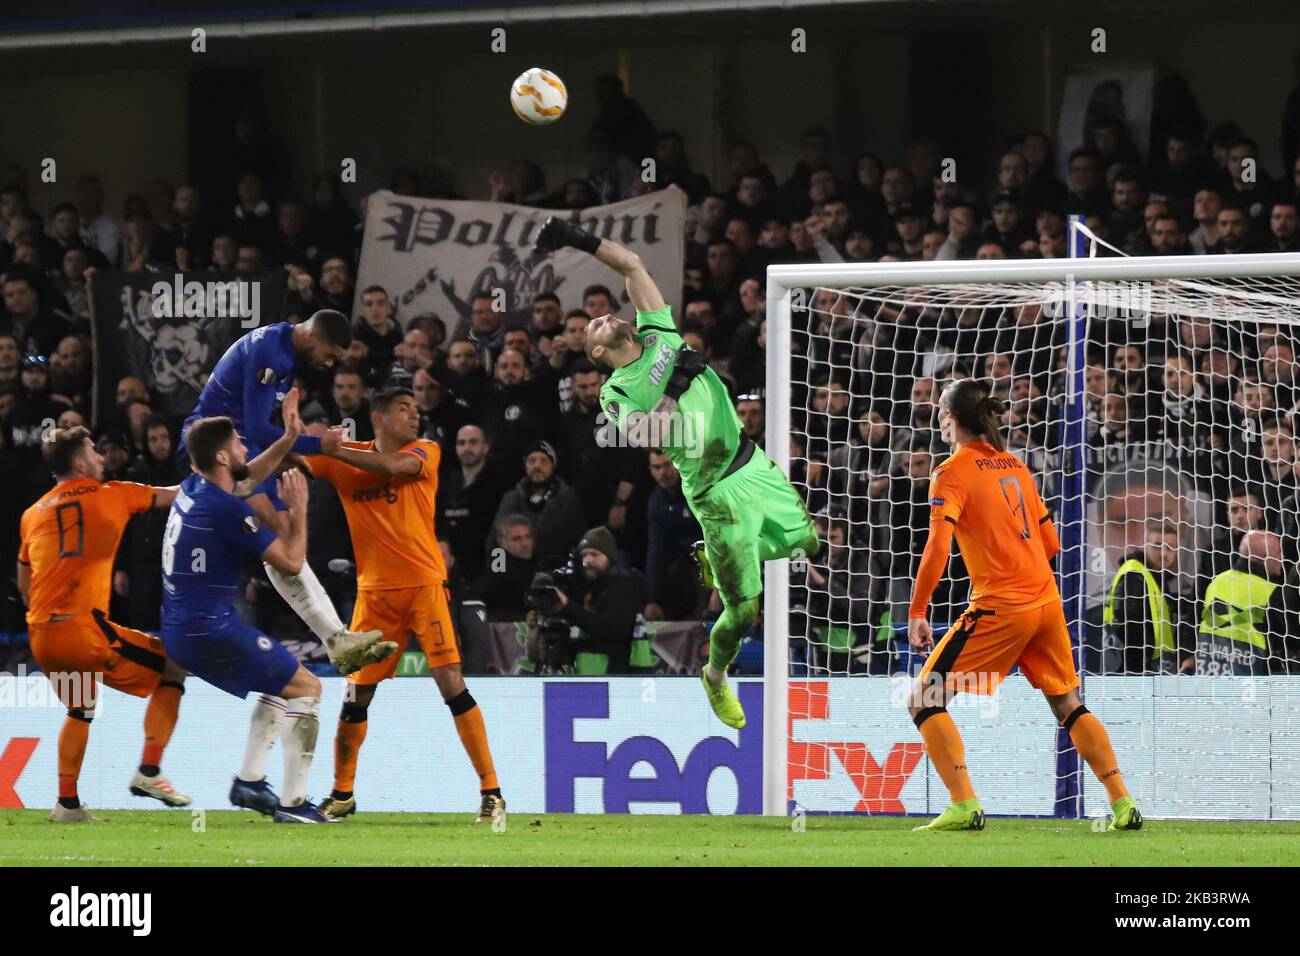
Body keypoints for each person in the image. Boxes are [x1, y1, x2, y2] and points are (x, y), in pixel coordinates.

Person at [535, 216, 820, 729]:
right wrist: (673, 387)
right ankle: (715, 673)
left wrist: (574, 238)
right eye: (593, 325)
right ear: (598, 353)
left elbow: (630, 264)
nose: (602, 317)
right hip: (714, 490)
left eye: (601, 313)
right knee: (745, 611)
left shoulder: (657, 330)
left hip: (750, 462)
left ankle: (717, 554)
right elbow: (646, 436)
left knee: (808, 544)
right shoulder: (616, 389)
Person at [907, 378, 1142, 832]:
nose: (937, 417)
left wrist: (918, 612)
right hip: (1047, 602)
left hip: (999, 606)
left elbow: (937, 547)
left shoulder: (951, 472)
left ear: (951, 418)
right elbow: (1051, 542)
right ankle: (1122, 802)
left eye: (940, 409)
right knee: (1068, 704)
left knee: (923, 700)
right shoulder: (1016, 466)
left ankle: (964, 804)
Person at [301, 388, 505, 823]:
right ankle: (342, 794)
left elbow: (394, 467)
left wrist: (335, 452)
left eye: (416, 410)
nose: (415, 416)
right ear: (379, 417)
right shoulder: (342, 455)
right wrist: (297, 437)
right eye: (404, 409)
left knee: (451, 682)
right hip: (373, 594)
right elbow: (294, 459)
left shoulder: (425, 450)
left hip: (424, 586)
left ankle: (492, 791)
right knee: (356, 694)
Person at [179, 309, 394, 677]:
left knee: (283, 536)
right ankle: (334, 639)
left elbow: (257, 427)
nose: (329, 364)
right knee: (279, 537)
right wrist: (318, 444)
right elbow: (260, 427)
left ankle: (337, 638)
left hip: (238, 444)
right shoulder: (273, 356)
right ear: (311, 336)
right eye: (330, 354)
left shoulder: (283, 348)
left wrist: (292, 450)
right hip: (212, 446)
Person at [160, 394, 338, 823]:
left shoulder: (196, 485)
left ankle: (250, 782)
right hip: (210, 629)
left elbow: (243, 478)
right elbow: (292, 563)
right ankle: (294, 805)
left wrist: (289, 439)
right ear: (223, 455)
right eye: (240, 444)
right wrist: (299, 507)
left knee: (281, 683)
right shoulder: (223, 509)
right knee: (308, 688)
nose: (246, 449)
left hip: (181, 629)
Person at [17, 427, 189, 821]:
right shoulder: (112, 494)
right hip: (83, 632)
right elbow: (175, 494)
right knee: (173, 665)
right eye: (95, 451)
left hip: (42, 633)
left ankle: (67, 804)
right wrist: (213, 470)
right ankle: (149, 771)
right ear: (79, 463)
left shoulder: (32, 513)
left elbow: (24, 577)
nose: (101, 457)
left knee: (81, 706)